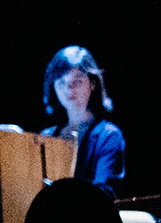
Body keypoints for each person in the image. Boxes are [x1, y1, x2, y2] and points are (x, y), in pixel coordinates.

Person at [38, 45, 126, 194]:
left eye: (77, 81)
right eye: (61, 83)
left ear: (92, 83)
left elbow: (103, 194)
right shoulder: (46, 136)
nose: (69, 89)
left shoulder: (108, 135)